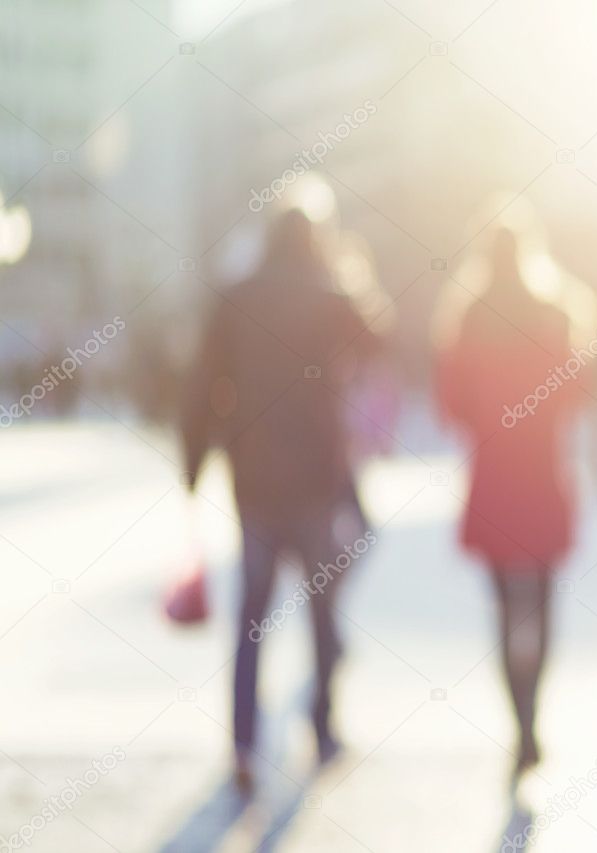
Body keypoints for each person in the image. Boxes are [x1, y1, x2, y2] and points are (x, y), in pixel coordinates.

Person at [180, 209, 379, 791]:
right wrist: (350, 268)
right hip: (317, 475)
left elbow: (202, 384)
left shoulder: (236, 297)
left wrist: (194, 463)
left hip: (257, 479)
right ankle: (321, 725)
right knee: (321, 606)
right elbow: (380, 337)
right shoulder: (330, 291)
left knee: (252, 614)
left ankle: (243, 740)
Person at [434, 223, 588, 783]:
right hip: (543, 472)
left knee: (503, 607)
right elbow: (579, 388)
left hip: (495, 477)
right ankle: (532, 717)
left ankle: (519, 721)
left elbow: (450, 403)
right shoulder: (554, 311)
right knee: (543, 602)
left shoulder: (468, 317)